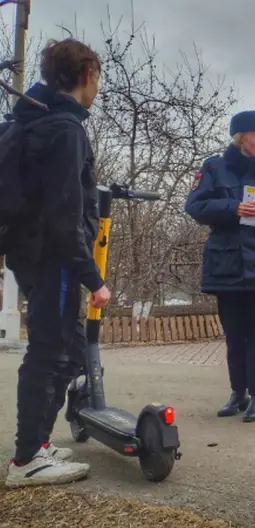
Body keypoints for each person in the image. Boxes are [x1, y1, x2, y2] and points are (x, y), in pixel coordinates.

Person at [4, 39, 111, 488]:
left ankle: (38, 443)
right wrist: (94, 278)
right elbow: (65, 213)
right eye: (98, 78)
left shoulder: (32, 120)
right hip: (56, 257)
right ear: (87, 75)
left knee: (56, 348)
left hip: (29, 252)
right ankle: (28, 458)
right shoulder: (66, 128)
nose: (98, 87)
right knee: (52, 351)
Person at [185, 110, 255, 423]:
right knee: (234, 334)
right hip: (226, 263)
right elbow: (194, 206)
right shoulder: (213, 168)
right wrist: (233, 208)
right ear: (241, 136)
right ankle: (238, 392)